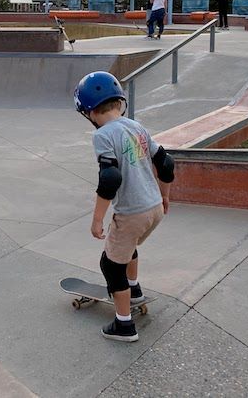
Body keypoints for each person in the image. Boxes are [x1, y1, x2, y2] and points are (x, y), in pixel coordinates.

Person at [73, 72, 175, 342]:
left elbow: (110, 179)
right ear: (120, 102)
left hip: (131, 213)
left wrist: (97, 220)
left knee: (110, 265)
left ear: (90, 112)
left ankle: (124, 325)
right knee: (128, 248)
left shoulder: (103, 136)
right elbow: (165, 163)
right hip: (153, 208)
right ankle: (134, 289)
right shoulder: (136, 126)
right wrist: (165, 196)